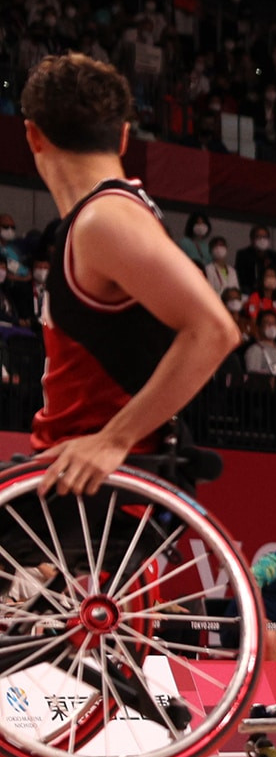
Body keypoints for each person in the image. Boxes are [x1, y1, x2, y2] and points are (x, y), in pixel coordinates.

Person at [19, 53, 239, 494]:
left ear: (33, 136)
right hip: (61, 475)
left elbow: (216, 330)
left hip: (94, 490)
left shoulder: (107, 220)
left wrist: (114, 438)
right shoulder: (100, 218)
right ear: (123, 138)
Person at [236, 225, 276, 294]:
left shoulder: (273, 256)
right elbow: (241, 278)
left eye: (265, 237)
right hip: (249, 290)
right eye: (259, 237)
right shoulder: (243, 254)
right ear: (252, 239)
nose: (262, 239)